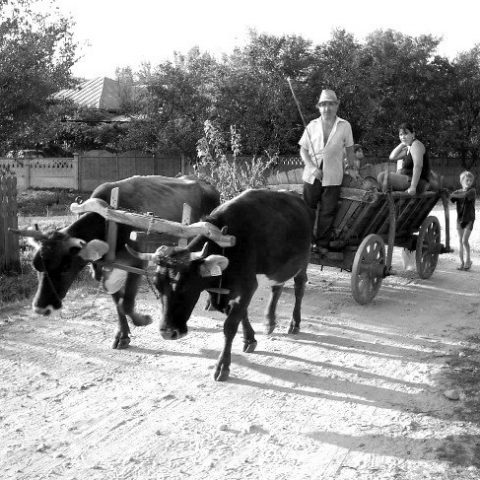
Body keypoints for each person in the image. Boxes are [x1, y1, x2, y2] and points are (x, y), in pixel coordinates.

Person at [298, 89, 357, 248]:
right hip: (312, 175)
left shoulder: (345, 125)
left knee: (327, 211)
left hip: (333, 175)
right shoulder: (312, 125)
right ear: (319, 107)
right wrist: (311, 167)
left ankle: (322, 245)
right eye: (324, 105)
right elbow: (303, 150)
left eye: (331, 104)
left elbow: (350, 148)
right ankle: (306, 243)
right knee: (308, 209)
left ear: (336, 106)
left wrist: (351, 166)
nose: (327, 108)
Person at [377, 123, 431, 194]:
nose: (403, 137)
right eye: (401, 135)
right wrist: (402, 143)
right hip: (408, 179)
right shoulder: (408, 148)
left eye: (406, 134)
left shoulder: (416, 145)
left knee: (382, 176)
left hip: (418, 183)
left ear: (413, 134)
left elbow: (418, 166)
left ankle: (389, 197)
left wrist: (413, 187)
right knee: (386, 176)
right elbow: (392, 157)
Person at [451, 170, 476, 271]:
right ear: (462, 181)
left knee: (464, 240)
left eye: (470, 180)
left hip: (469, 218)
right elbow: (451, 198)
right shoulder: (458, 191)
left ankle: (468, 260)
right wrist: (450, 194)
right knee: (460, 242)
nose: (468, 182)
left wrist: (453, 194)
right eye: (467, 180)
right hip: (459, 219)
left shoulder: (472, 191)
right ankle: (461, 263)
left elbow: (463, 196)